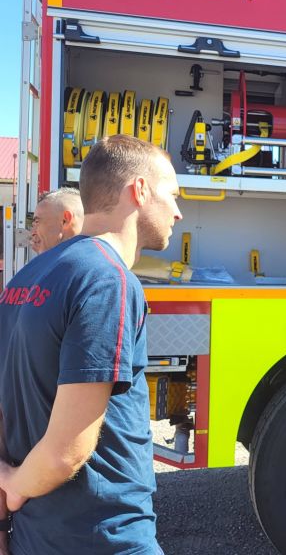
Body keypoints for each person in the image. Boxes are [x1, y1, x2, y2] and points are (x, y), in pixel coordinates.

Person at [0, 134, 182, 554]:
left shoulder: (25, 280)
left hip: (36, 535)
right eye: (172, 195)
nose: (178, 211)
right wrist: (12, 486)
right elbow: (68, 451)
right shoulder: (107, 280)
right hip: (103, 536)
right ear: (138, 191)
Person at [29, 187, 84, 254]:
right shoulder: (95, 253)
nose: (32, 233)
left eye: (37, 222)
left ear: (65, 220)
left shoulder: (78, 262)